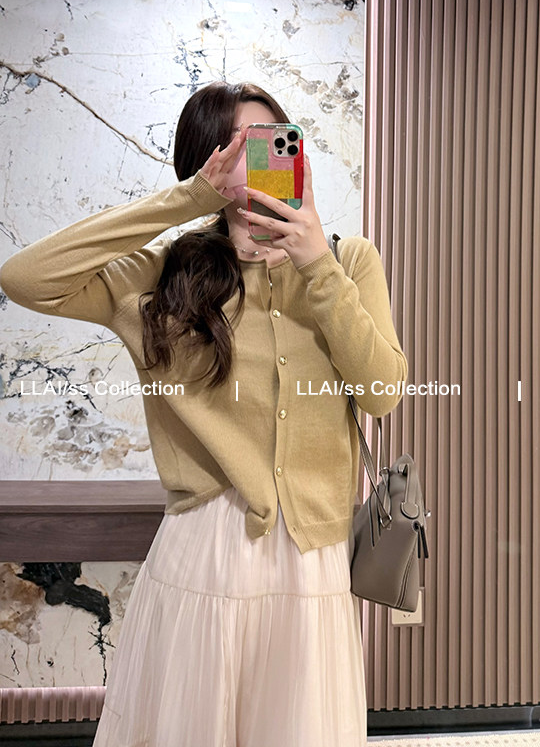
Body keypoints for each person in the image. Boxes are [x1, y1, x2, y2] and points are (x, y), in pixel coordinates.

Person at [0, 81, 408, 747]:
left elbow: (383, 392)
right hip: (206, 551)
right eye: (237, 149)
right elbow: (26, 277)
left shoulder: (347, 260)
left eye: (271, 143)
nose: (257, 165)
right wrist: (186, 200)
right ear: (206, 163)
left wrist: (315, 265)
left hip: (313, 556)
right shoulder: (163, 276)